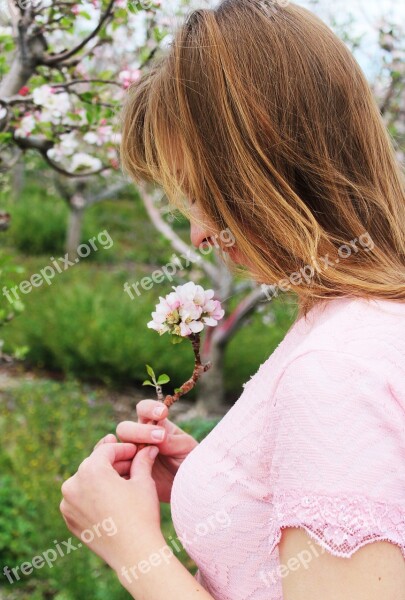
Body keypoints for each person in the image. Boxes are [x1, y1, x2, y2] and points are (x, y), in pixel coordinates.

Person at [60, 1, 405, 598]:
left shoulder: (335, 369)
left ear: (270, 166)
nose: (199, 234)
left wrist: (134, 550)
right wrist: (226, 481)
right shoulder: (359, 322)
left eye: (205, 197)